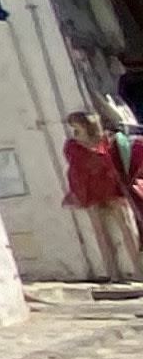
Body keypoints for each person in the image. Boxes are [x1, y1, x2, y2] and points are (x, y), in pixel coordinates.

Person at [64, 110, 140, 281]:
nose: (74, 128)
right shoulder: (72, 145)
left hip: (111, 187)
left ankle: (138, 269)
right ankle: (112, 273)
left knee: (126, 227)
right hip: (88, 189)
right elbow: (76, 168)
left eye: (76, 124)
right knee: (100, 231)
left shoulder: (107, 140)